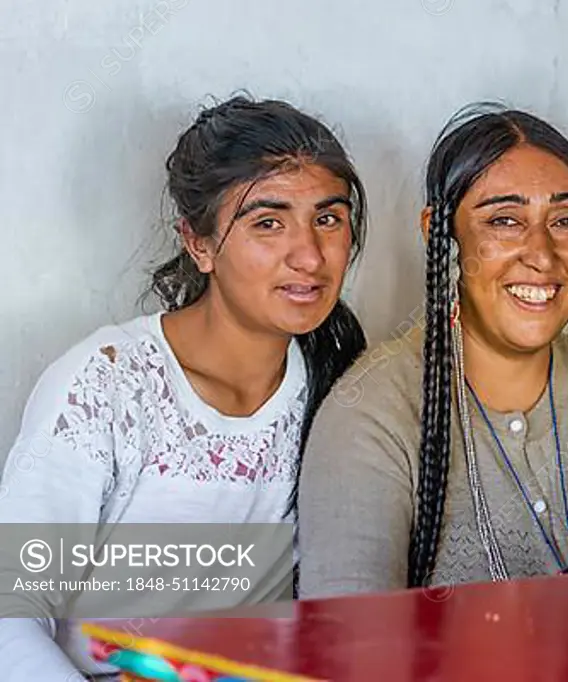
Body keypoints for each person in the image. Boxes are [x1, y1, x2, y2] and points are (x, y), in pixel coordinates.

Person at [298, 103, 568, 597]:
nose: (541, 254)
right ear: (438, 232)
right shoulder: (372, 415)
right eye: (505, 220)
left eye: (566, 220)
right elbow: (351, 650)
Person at [0, 95, 367, 679]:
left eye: (329, 218)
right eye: (267, 222)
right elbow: (12, 613)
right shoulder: (108, 386)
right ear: (199, 243)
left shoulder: (342, 390)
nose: (309, 255)